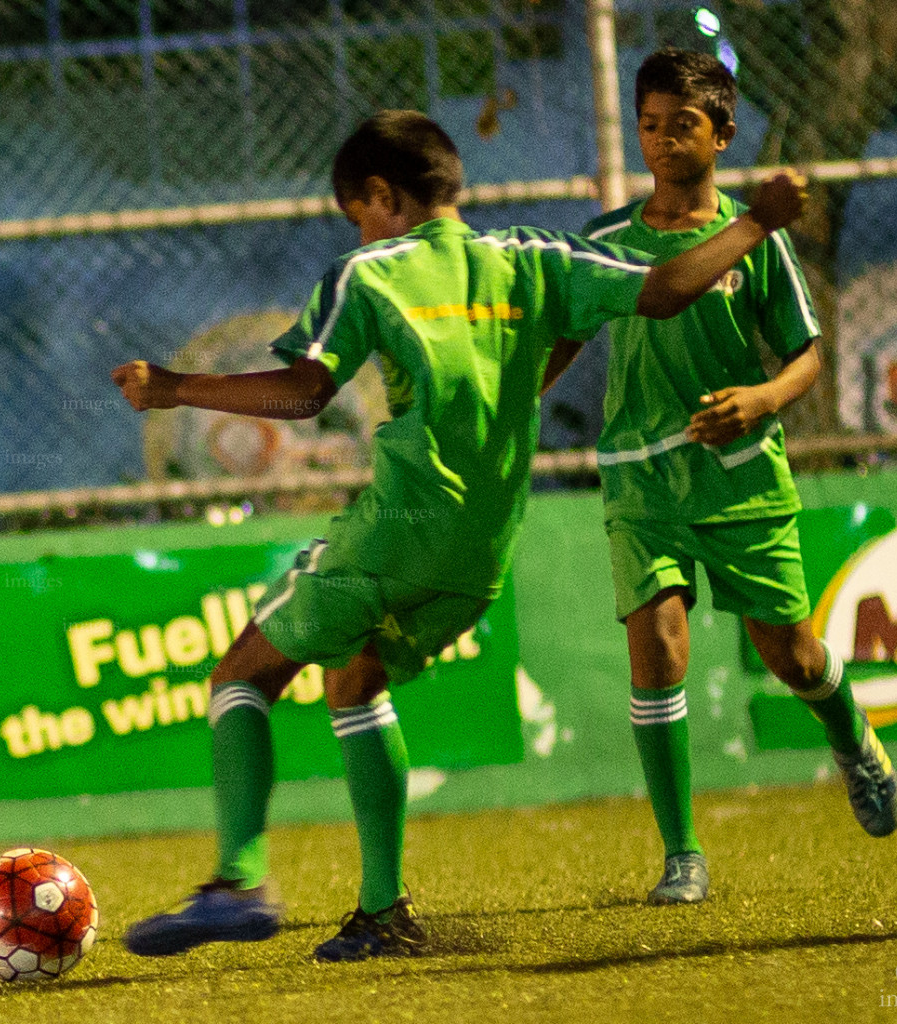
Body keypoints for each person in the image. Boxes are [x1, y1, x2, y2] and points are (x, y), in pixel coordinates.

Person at [111, 109, 809, 962]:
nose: (358, 228)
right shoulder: (532, 257)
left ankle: (237, 880)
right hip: (482, 549)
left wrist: (177, 388)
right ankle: (380, 914)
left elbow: (302, 394)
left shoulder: (367, 271)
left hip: (399, 527)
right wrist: (754, 224)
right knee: (357, 678)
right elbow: (663, 289)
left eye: (355, 210)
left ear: (378, 195)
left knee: (239, 679)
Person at [569, 47, 897, 907]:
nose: (661, 142)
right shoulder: (605, 241)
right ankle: (681, 853)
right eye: (647, 125)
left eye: (681, 126)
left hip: (740, 480)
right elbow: (558, 335)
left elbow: (806, 356)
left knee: (787, 654)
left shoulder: (754, 243)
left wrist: (759, 400)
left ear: (722, 132)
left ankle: (849, 732)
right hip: (641, 479)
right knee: (658, 646)